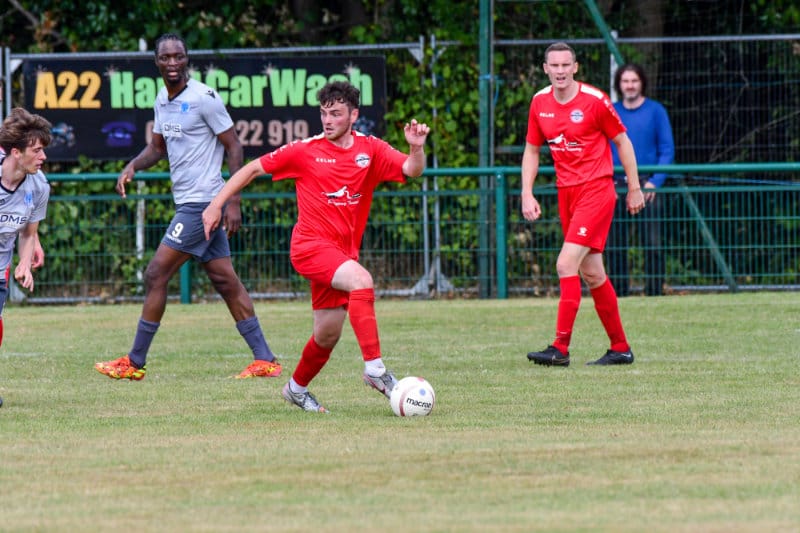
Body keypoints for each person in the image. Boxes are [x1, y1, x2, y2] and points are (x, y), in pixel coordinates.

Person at [202, 81, 430, 412]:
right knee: (362, 280)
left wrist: (416, 149)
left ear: (354, 115)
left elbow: (411, 170)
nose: (328, 120)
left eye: (336, 113)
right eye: (324, 113)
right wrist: (215, 205)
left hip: (341, 255)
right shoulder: (305, 150)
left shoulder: (370, 149)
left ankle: (295, 390)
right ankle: (376, 371)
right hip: (309, 247)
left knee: (327, 335)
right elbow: (251, 169)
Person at [94, 33, 280, 381]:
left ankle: (134, 362)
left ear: (187, 59)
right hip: (193, 201)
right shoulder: (162, 99)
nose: (172, 63)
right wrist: (133, 165)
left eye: (178, 56)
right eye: (166, 57)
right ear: (157, 62)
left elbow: (234, 146)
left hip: (202, 203)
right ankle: (265, 359)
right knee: (225, 280)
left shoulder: (204, 98)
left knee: (155, 274)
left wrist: (233, 201)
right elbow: (157, 147)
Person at [521, 42, 644, 367]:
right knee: (592, 273)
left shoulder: (594, 100)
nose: (560, 71)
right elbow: (532, 150)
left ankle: (560, 348)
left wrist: (634, 187)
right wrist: (526, 192)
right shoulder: (539, 102)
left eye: (566, 65)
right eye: (554, 65)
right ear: (546, 68)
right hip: (567, 193)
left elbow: (622, 141)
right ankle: (620, 348)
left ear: (575, 67)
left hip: (597, 190)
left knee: (566, 264)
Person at [607, 63, 675, 296]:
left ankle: (655, 293)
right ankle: (618, 295)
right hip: (616, 186)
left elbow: (667, 149)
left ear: (642, 83)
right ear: (619, 84)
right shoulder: (610, 111)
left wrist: (655, 182)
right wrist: (607, 181)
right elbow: (601, 148)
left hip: (647, 186)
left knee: (653, 243)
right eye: (625, 81)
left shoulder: (656, 111)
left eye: (634, 81)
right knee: (615, 245)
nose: (630, 86)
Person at [0, 109, 52, 352]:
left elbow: (29, 233)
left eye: (43, 149)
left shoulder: (39, 186)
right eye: (37, 150)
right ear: (16, 152)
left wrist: (23, 263)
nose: (43, 156)